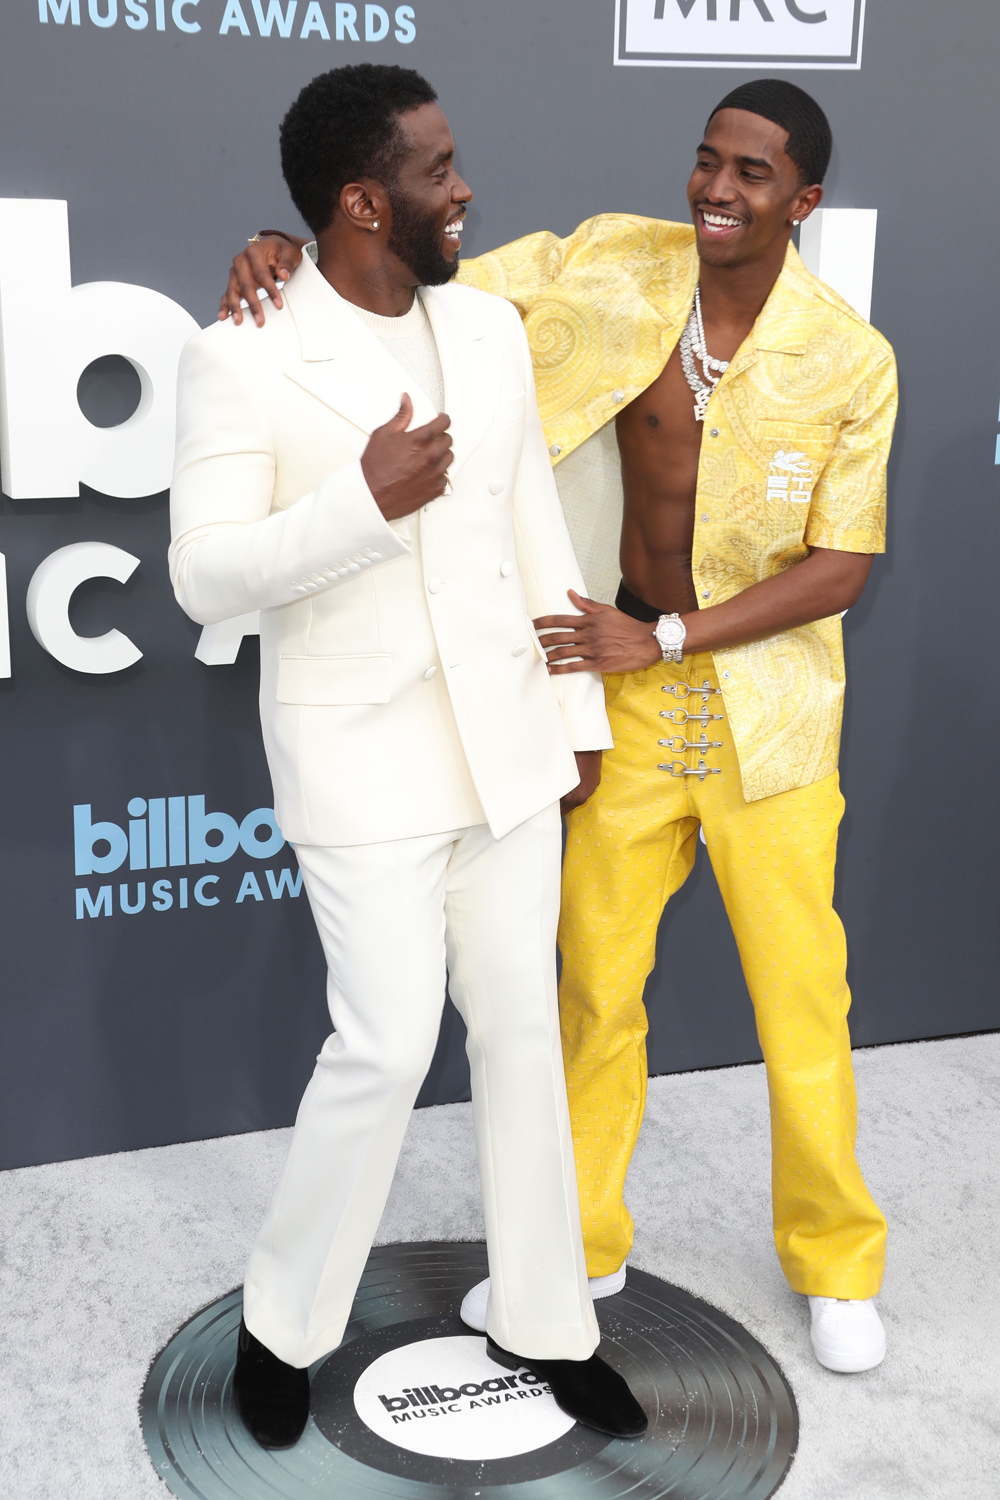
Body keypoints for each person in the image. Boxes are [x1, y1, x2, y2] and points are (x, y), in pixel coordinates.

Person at [221, 79, 897, 1376]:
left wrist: (682, 637)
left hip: (770, 714)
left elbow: (845, 564)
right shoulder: (603, 260)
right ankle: (579, 1248)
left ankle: (837, 1263)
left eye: (754, 174)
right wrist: (293, 256)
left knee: (803, 1002)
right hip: (620, 689)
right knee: (590, 994)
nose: (717, 189)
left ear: (804, 202)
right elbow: (416, 287)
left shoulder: (852, 359)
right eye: (707, 161)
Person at [171, 63, 648, 1450]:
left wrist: (573, 728)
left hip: (505, 750)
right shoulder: (242, 350)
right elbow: (203, 578)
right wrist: (357, 504)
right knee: (383, 1046)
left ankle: (549, 1324)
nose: (468, 185)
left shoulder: (488, 326)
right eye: (441, 169)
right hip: (361, 760)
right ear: (365, 200)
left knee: (520, 1041)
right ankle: (284, 1324)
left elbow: (530, 535)